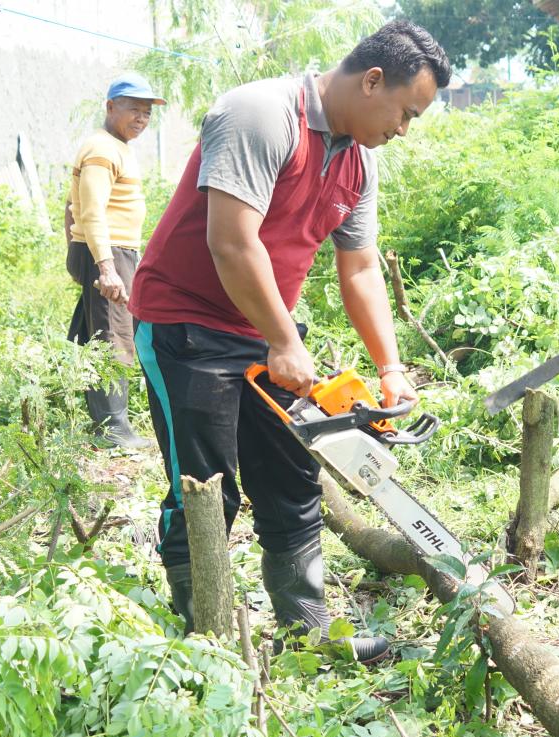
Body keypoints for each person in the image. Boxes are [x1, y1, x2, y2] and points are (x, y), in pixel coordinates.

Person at [129, 21, 451, 660]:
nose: (404, 129)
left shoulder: (357, 160)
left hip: (265, 330)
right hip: (184, 325)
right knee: (203, 485)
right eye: (406, 113)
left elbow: (358, 267)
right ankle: (207, 639)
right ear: (372, 81)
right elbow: (232, 241)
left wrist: (390, 367)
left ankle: (308, 628)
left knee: (291, 476)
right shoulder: (259, 114)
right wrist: (283, 340)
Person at [65, 73, 162, 450]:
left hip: (110, 250)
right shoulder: (102, 149)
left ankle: (100, 419)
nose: (141, 118)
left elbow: (71, 208)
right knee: (114, 337)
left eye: (147, 113)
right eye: (134, 109)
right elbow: (88, 211)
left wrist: (80, 254)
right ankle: (113, 430)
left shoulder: (116, 146)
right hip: (110, 251)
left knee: (94, 333)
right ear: (110, 107)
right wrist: (104, 266)